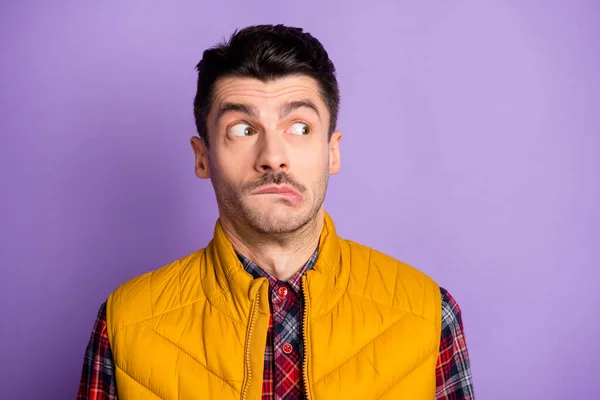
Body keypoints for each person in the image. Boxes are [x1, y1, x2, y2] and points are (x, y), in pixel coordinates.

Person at [77, 24, 474, 400]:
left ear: (331, 151)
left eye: (299, 127)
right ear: (203, 158)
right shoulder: (124, 322)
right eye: (243, 129)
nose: (272, 157)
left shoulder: (427, 312)